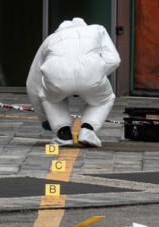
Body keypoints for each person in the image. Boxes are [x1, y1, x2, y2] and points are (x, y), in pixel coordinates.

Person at [26, 18, 121, 148]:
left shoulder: (50, 39)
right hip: (91, 73)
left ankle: (63, 134)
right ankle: (88, 130)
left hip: (56, 75)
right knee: (104, 100)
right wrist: (95, 73)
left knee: (50, 98)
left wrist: (44, 118)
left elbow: (33, 81)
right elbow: (114, 60)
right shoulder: (97, 29)